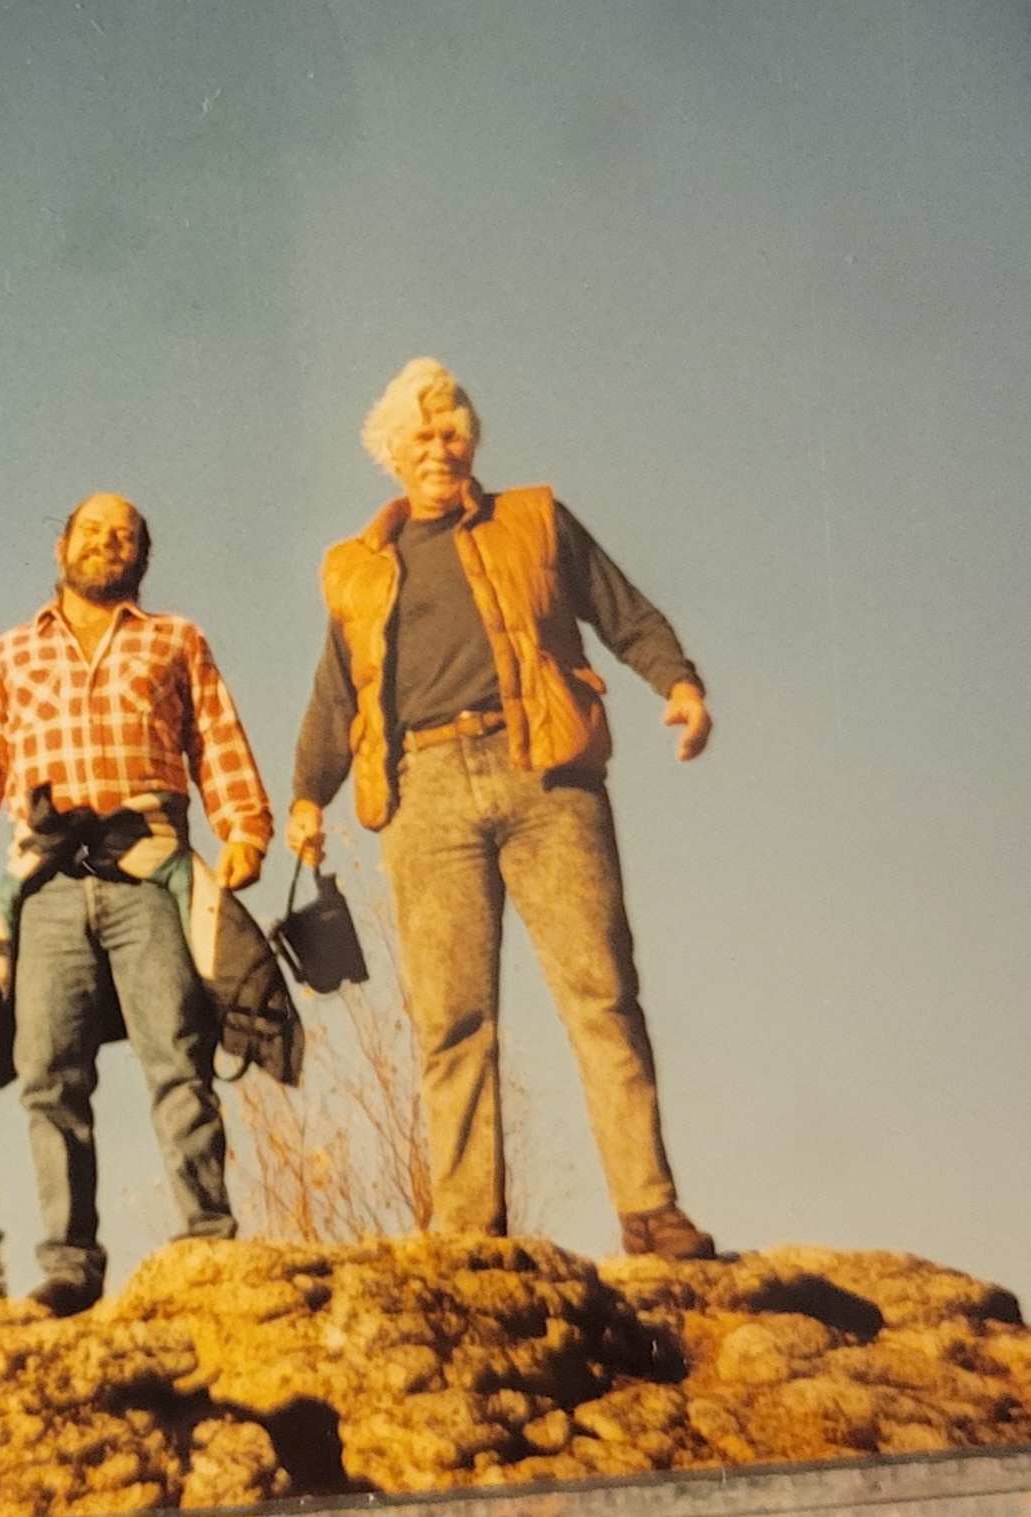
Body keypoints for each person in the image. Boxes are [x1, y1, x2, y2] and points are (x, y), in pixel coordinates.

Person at [288, 358, 716, 1260]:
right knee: (450, 1020)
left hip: (546, 775)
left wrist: (677, 683)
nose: (438, 447)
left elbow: (624, 612)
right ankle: (468, 1230)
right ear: (391, 452)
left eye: (451, 430)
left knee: (601, 991)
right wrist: (305, 795)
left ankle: (649, 1208)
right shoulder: (353, 568)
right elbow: (336, 695)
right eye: (420, 435)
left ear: (471, 440)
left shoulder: (534, 519)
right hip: (422, 792)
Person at [0, 493, 273, 1316]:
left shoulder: (174, 639)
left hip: (148, 870)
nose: (108, 543)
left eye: (125, 535)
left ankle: (207, 1237)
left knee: (177, 1052)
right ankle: (70, 1265)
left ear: (140, 556)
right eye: (94, 531)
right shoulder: (9, 654)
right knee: (48, 1071)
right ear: (62, 545)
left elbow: (215, 737)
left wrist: (244, 826)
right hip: (46, 886)